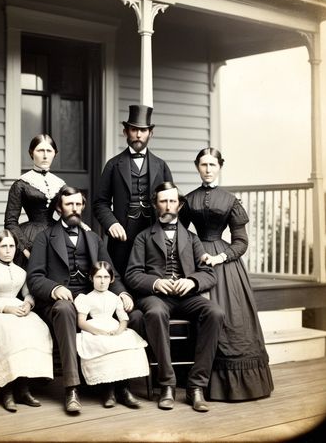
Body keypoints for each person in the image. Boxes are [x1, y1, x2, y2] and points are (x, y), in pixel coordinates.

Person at [0, 134, 66, 386]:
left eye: (49, 150)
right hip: (26, 239)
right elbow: (10, 222)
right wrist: (26, 249)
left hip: (53, 237)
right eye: (40, 150)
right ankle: (11, 368)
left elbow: (64, 213)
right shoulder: (21, 184)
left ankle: (45, 365)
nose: (45, 155)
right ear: (31, 154)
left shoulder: (60, 183)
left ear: (54, 154)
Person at [27, 186, 142, 413]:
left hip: (94, 297)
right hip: (62, 301)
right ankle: (72, 388)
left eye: (78, 204)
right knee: (65, 310)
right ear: (59, 208)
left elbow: (112, 273)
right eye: (69, 204)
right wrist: (55, 288)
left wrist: (122, 293)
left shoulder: (93, 238)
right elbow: (34, 278)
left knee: (133, 315)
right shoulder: (45, 238)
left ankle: (121, 384)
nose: (74, 209)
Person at [179, 147, 274, 401]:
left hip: (225, 264)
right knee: (204, 315)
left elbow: (241, 242)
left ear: (220, 166)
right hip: (198, 261)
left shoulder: (230, 200)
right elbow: (180, 234)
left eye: (212, 165)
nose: (208, 170)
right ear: (197, 167)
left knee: (234, 320)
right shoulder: (188, 200)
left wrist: (220, 257)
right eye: (203, 165)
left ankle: (238, 386)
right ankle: (198, 383)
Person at [126, 182, 224, 412]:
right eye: (163, 201)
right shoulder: (143, 237)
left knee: (215, 312)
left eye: (172, 201)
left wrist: (191, 281)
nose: (168, 205)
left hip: (187, 296)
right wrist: (156, 283)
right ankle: (167, 384)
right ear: (155, 204)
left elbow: (209, 273)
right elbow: (132, 275)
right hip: (156, 297)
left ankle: (196, 386)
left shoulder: (191, 238)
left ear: (179, 205)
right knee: (156, 312)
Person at [0, 229, 53, 412]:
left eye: (11, 246)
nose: (8, 250)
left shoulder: (20, 272)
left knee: (38, 328)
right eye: (3, 246)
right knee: (10, 335)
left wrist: (28, 304)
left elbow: (28, 294)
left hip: (18, 309)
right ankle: (7, 391)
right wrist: (9, 309)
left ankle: (23, 388)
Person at [93, 104, 173, 276]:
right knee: (122, 279)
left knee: (152, 278)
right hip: (122, 236)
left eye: (143, 130)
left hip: (153, 233)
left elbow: (172, 202)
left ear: (150, 133)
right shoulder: (113, 165)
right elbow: (100, 203)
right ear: (125, 132)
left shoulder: (161, 166)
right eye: (134, 129)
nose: (138, 135)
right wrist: (111, 223)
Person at [75, 261, 148, 408]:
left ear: (112, 279)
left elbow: (123, 320)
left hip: (113, 327)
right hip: (94, 328)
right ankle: (108, 391)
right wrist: (99, 332)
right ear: (91, 278)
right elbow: (81, 322)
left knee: (124, 342)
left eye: (106, 277)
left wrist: (119, 332)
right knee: (102, 344)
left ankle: (125, 390)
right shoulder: (86, 298)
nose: (102, 281)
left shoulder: (115, 298)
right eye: (98, 277)